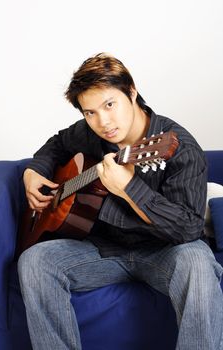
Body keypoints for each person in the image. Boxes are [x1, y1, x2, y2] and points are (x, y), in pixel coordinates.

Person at [18, 52, 223, 350]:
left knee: (198, 261)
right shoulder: (91, 134)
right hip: (103, 250)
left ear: (132, 92)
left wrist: (128, 187)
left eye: (109, 104)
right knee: (35, 260)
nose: (103, 122)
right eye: (90, 113)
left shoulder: (179, 147)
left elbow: (188, 230)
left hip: (163, 253)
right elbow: (58, 143)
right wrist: (33, 171)